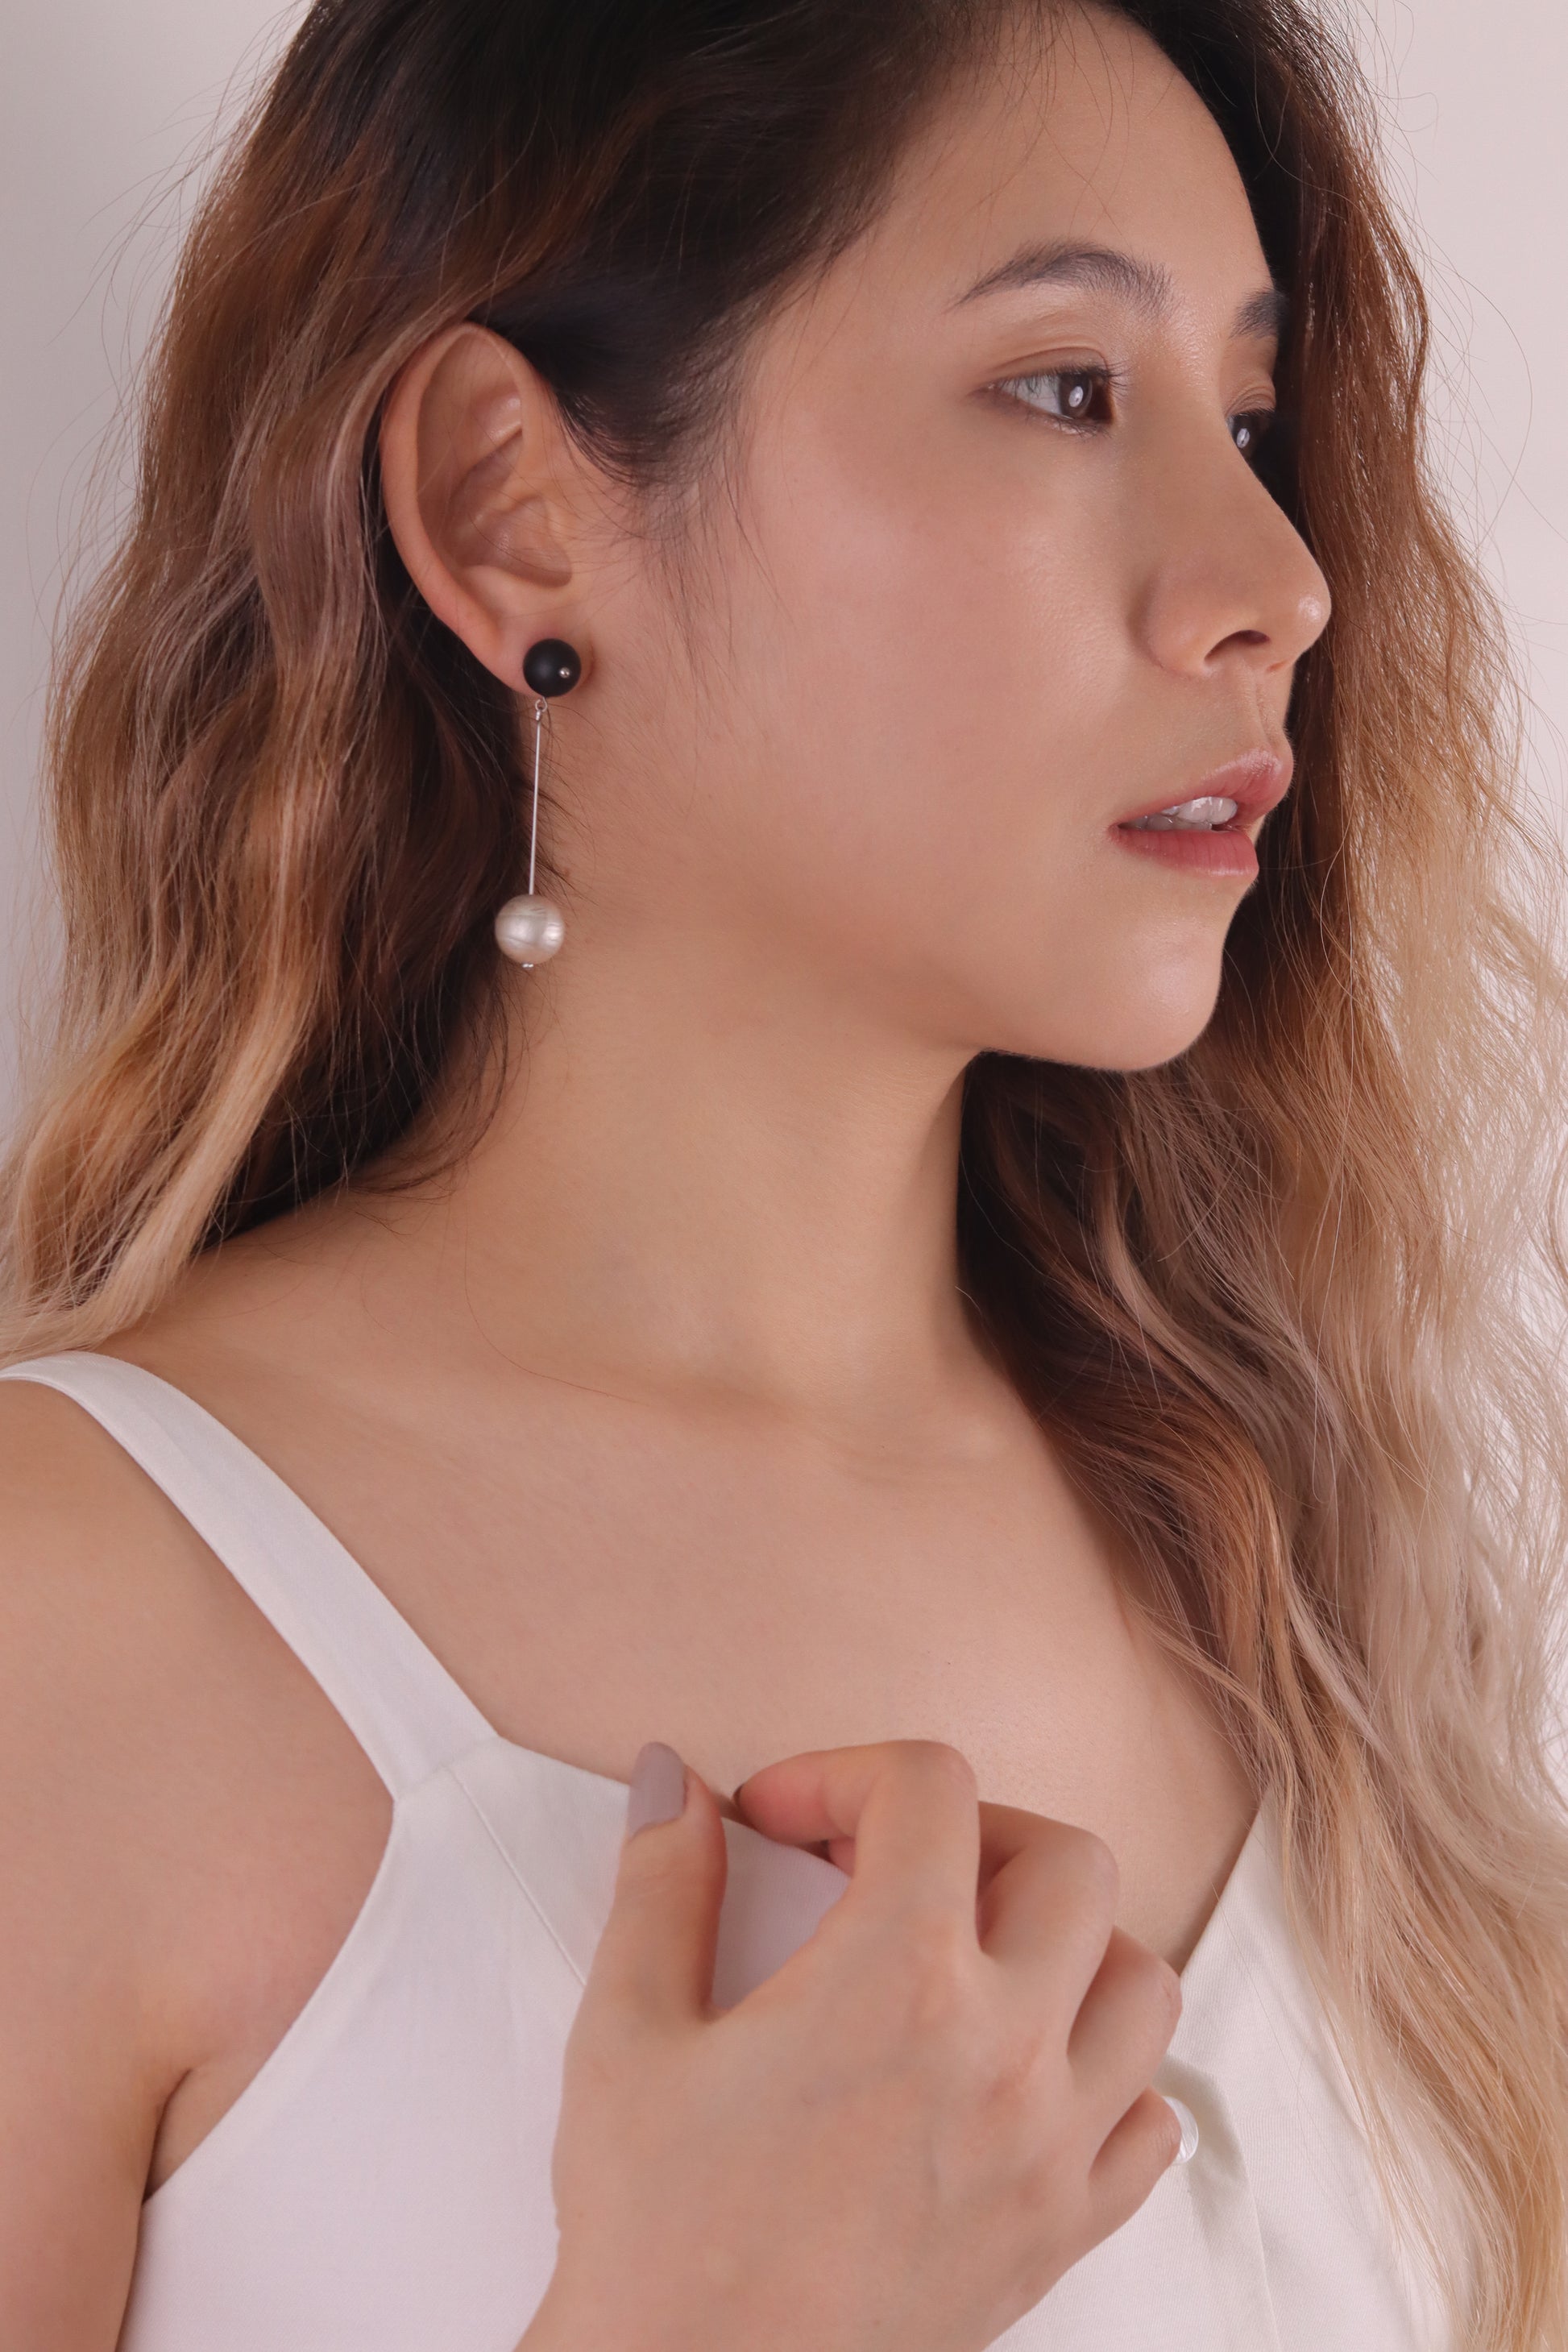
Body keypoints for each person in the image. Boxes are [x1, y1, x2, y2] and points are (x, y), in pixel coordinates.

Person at [2, 0, 1567, 2343]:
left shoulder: (1306, 1594)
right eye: (1063, 386)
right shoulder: (75, 1632)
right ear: (515, 511)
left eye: (1248, 418)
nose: (1273, 576)